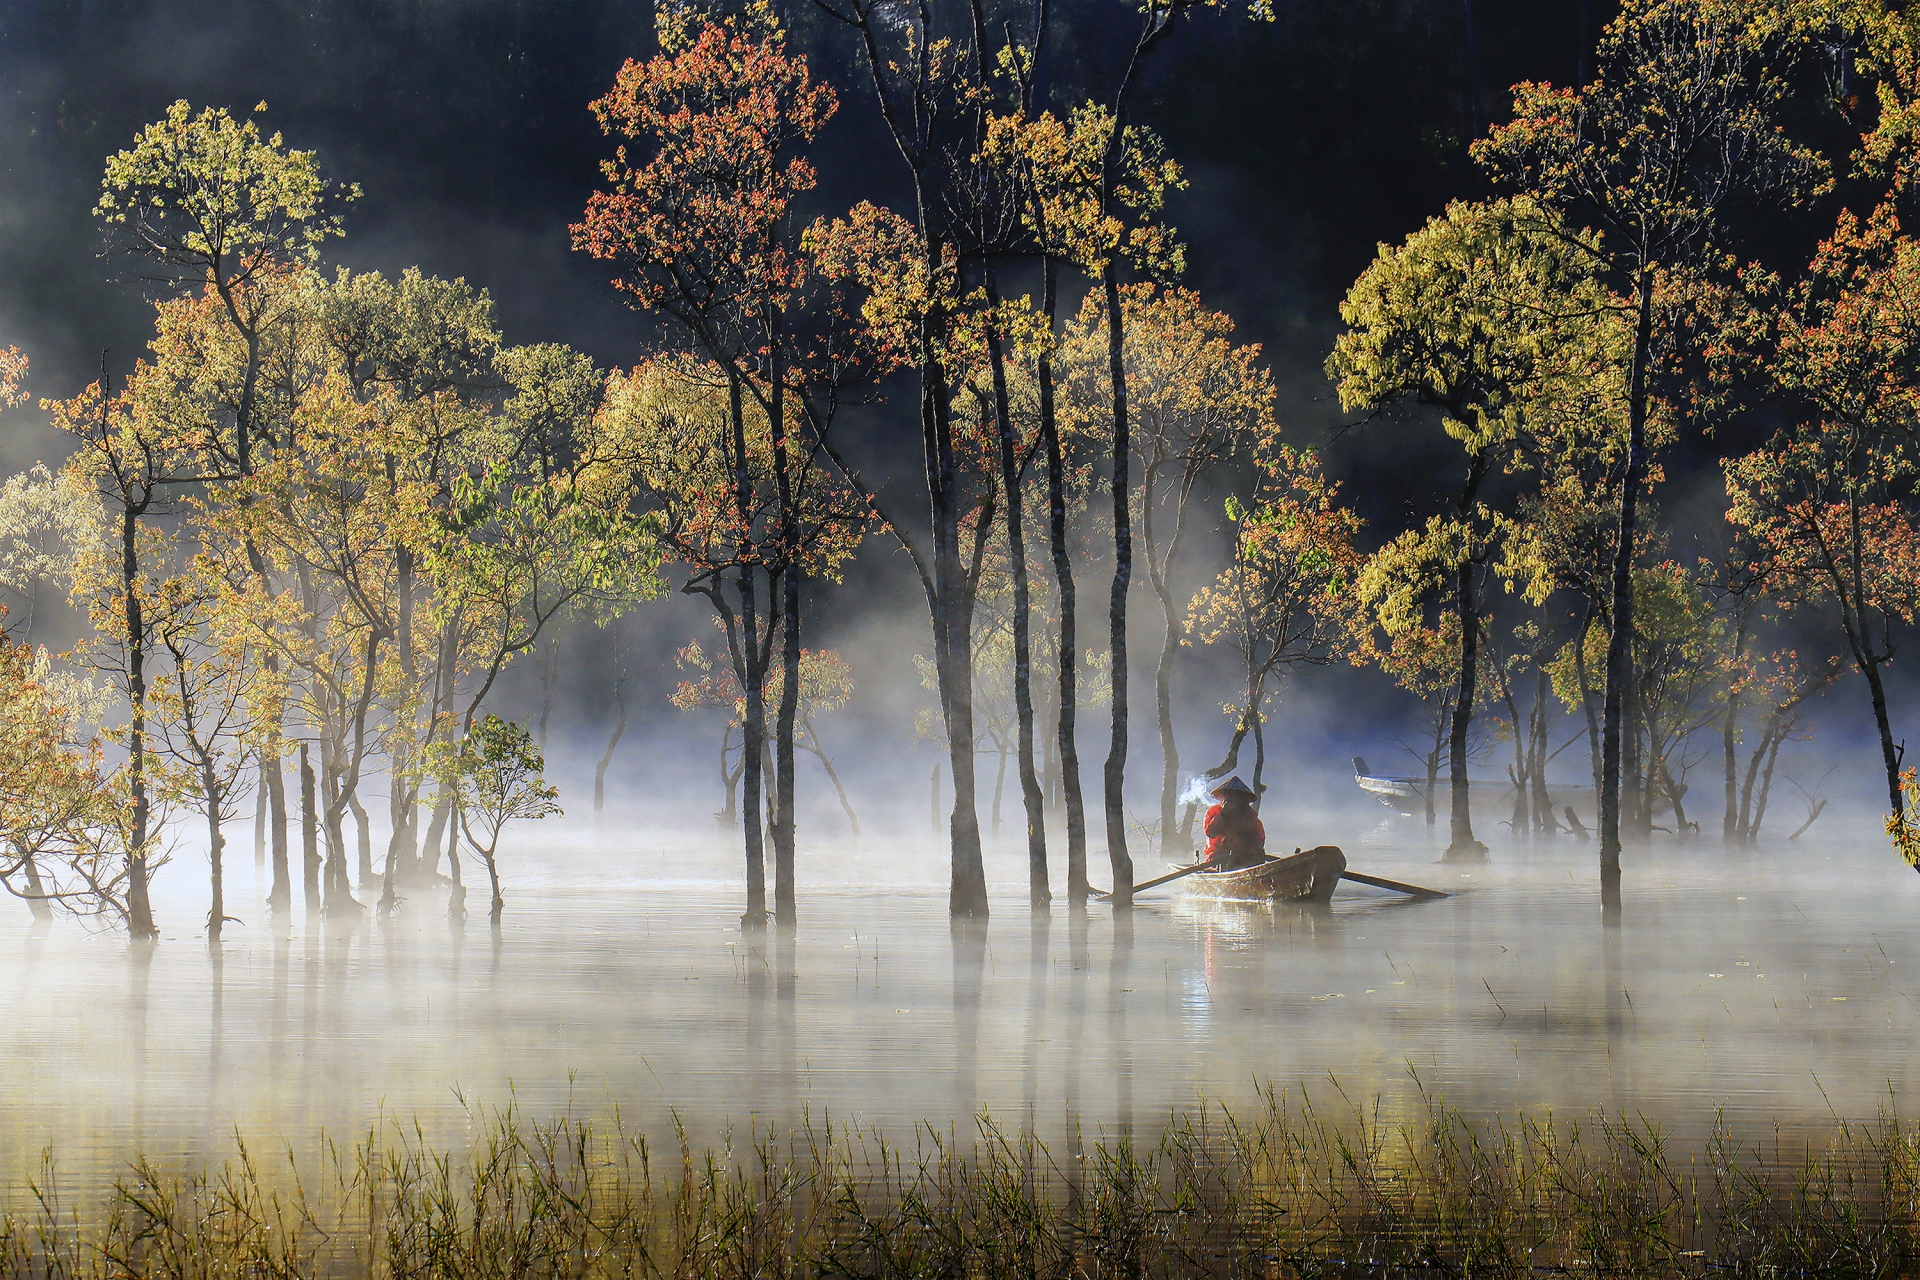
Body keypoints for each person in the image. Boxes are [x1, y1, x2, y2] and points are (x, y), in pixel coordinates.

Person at [1201, 776, 1267, 870]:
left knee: (1254, 858)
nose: (1234, 801)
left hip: (1246, 858)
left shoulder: (1250, 815)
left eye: (1238, 797)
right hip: (1219, 857)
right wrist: (1223, 815)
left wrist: (1249, 850)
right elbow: (1210, 833)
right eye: (1230, 797)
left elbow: (1258, 840)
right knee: (1226, 861)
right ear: (1226, 798)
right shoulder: (1214, 812)